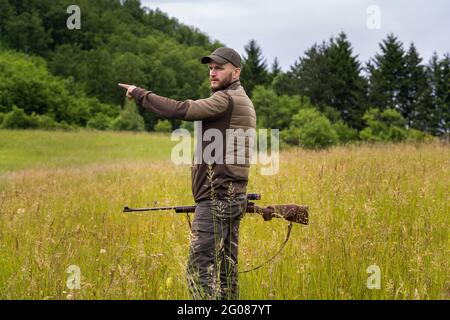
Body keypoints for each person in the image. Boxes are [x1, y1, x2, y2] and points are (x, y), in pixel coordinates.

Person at [119, 47, 256, 300]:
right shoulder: (243, 100)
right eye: (210, 68)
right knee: (226, 274)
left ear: (235, 72)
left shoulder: (225, 100)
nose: (212, 73)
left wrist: (140, 94)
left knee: (199, 271)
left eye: (219, 68)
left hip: (216, 199)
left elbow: (179, 109)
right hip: (233, 196)